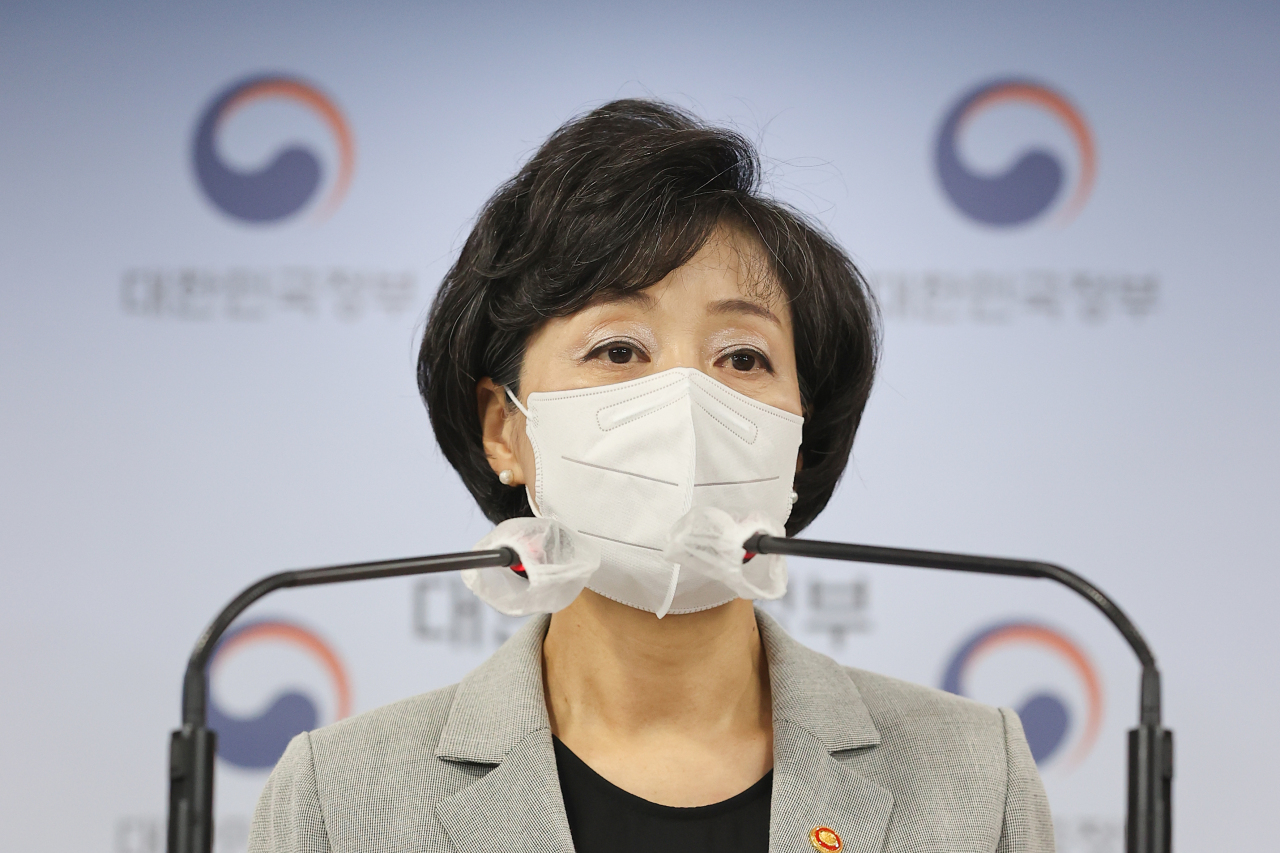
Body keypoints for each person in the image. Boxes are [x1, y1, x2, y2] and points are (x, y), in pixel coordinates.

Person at [248, 99, 1054, 853]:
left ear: (800, 441)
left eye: (742, 357)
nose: (685, 401)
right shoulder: (340, 796)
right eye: (619, 350)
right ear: (506, 430)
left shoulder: (978, 777)